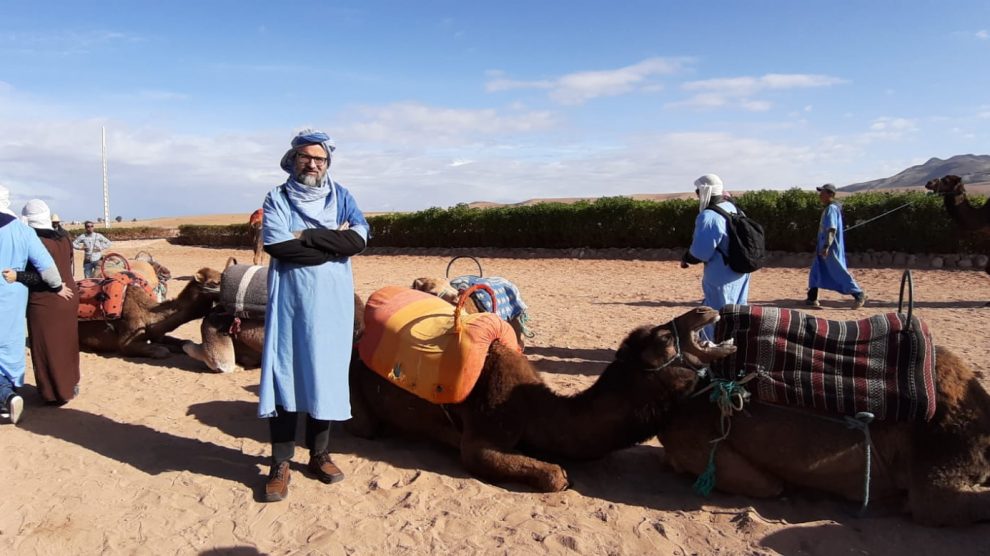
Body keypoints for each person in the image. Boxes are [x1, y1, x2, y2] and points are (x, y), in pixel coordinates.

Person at [258, 129, 370, 502]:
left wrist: (305, 234)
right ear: (293, 160)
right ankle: (280, 463)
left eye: (319, 158)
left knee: (326, 374)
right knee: (286, 375)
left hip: (332, 303)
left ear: (327, 162)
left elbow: (359, 239)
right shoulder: (277, 197)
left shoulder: (342, 196)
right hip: (291, 302)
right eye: (306, 157)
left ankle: (319, 455)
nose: (313, 164)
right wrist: (333, 246)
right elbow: (278, 245)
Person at [4, 200, 79, 406]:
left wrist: (17, 276)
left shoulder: (35, 240)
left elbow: (44, 276)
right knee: (67, 344)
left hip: (46, 301)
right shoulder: (63, 237)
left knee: (47, 347)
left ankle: (53, 393)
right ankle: (70, 386)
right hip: (70, 296)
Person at [0, 186, 64, 425]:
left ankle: (5, 396)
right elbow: (50, 273)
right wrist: (58, 287)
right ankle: (9, 393)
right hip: (13, 299)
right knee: (10, 347)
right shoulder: (23, 231)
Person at [680, 174, 750, 341]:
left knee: (716, 315)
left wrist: (686, 258)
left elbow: (701, 251)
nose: (697, 195)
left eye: (698, 191)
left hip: (721, 274)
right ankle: (736, 347)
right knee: (737, 312)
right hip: (741, 270)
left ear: (705, 191)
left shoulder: (709, 216)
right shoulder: (733, 208)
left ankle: (714, 349)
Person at [806, 183, 867, 309]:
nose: (820, 195)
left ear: (830, 194)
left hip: (830, 247)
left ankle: (858, 294)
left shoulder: (831, 209)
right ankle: (812, 298)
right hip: (824, 245)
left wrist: (826, 246)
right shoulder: (830, 208)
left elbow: (831, 229)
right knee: (816, 271)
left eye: (823, 192)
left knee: (838, 271)